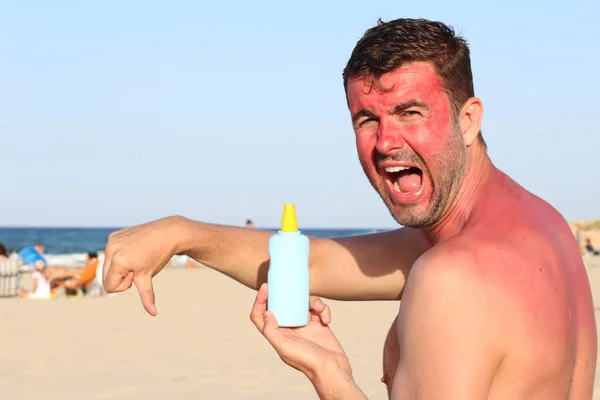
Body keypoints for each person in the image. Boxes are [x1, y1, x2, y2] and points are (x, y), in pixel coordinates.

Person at [101, 18, 597, 399]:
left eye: (410, 113)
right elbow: (314, 262)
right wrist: (181, 233)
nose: (385, 141)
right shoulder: (541, 227)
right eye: (366, 119)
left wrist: (333, 384)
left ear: (468, 119)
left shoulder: (454, 277)